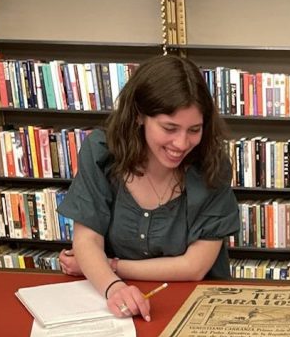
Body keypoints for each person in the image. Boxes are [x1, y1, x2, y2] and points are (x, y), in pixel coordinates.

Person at [57, 55, 240, 320]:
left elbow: (194, 267)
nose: (181, 143)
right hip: (113, 306)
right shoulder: (101, 153)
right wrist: (113, 287)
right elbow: (87, 240)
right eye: (169, 128)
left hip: (197, 310)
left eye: (194, 130)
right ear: (140, 116)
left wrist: (111, 266)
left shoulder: (212, 166)